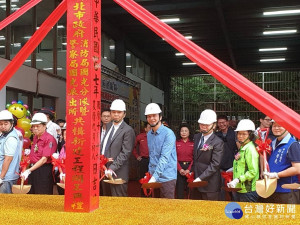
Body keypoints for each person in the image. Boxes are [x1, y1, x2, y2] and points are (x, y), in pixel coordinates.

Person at [101, 99, 135, 197]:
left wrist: (112, 168)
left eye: (119, 112)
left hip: (118, 173)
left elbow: (126, 153)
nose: (116, 114)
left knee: (118, 203)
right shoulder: (108, 126)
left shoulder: (128, 130)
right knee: (105, 202)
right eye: (114, 112)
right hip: (104, 171)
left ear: (124, 114)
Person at [263, 120, 300, 204]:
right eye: (274, 125)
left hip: (287, 191)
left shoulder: (293, 144)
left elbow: (297, 168)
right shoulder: (272, 143)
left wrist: (277, 175)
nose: (276, 128)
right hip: (272, 189)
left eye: (280, 126)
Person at [145, 103, 177, 199]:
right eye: (149, 116)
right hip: (153, 176)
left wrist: (155, 177)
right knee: (155, 208)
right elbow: (152, 155)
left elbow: (164, 157)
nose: (152, 118)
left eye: (154, 116)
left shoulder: (168, 134)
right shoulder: (149, 134)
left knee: (167, 209)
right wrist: (150, 174)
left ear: (160, 117)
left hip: (167, 177)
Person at [21, 112, 57, 194]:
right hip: (33, 169)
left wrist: (29, 170)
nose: (35, 128)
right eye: (33, 126)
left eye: (38, 126)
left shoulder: (49, 139)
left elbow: (44, 159)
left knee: (42, 193)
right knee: (31, 193)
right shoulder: (35, 137)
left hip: (43, 170)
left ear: (44, 126)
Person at [192, 109, 223, 201]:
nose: (204, 127)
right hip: (196, 181)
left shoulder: (218, 142)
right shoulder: (197, 137)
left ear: (214, 125)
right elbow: (195, 158)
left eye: (207, 125)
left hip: (210, 184)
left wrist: (201, 178)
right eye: (202, 124)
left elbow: (215, 164)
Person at [227, 119, 260, 202]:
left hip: (247, 191)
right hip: (238, 188)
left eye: (244, 134)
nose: (240, 136)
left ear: (250, 135)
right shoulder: (243, 147)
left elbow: (253, 171)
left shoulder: (250, 149)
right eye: (239, 133)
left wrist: (238, 179)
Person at [0, 110, 22, 193]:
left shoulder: (11, 138)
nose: (3, 126)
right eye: (1, 124)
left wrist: (1, 178)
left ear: (12, 123)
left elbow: (8, 159)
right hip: (4, 176)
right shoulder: (4, 135)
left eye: (6, 124)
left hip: (6, 178)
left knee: (4, 203)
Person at [132, 122, 151, 197]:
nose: (151, 129)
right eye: (149, 127)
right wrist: (137, 156)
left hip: (154, 161)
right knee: (143, 178)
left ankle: (152, 195)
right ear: (145, 129)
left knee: (153, 178)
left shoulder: (156, 136)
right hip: (144, 160)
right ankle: (143, 196)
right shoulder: (140, 137)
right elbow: (133, 147)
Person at [175, 123, 194, 199]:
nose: (184, 132)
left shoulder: (193, 143)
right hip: (179, 167)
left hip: (190, 167)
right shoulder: (176, 142)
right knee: (179, 190)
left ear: (189, 132)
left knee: (190, 190)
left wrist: (189, 169)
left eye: (186, 131)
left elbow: (195, 158)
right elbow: (173, 157)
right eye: (182, 131)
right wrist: (179, 169)